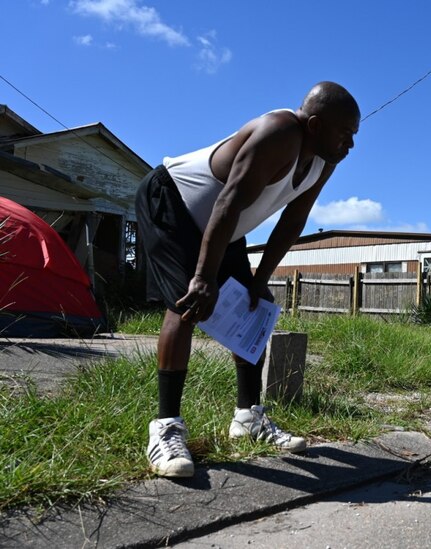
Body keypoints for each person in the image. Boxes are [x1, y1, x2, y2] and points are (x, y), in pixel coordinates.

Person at [135, 81, 360, 478]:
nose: (350, 144)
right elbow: (229, 199)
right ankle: (165, 428)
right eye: (345, 133)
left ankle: (248, 418)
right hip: (172, 201)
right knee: (186, 304)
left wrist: (261, 278)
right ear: (314, 124)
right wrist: (204, 276)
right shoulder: (278, 133)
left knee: (253, 307)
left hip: (224, 224)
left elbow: (293, 221)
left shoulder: (326, 160)